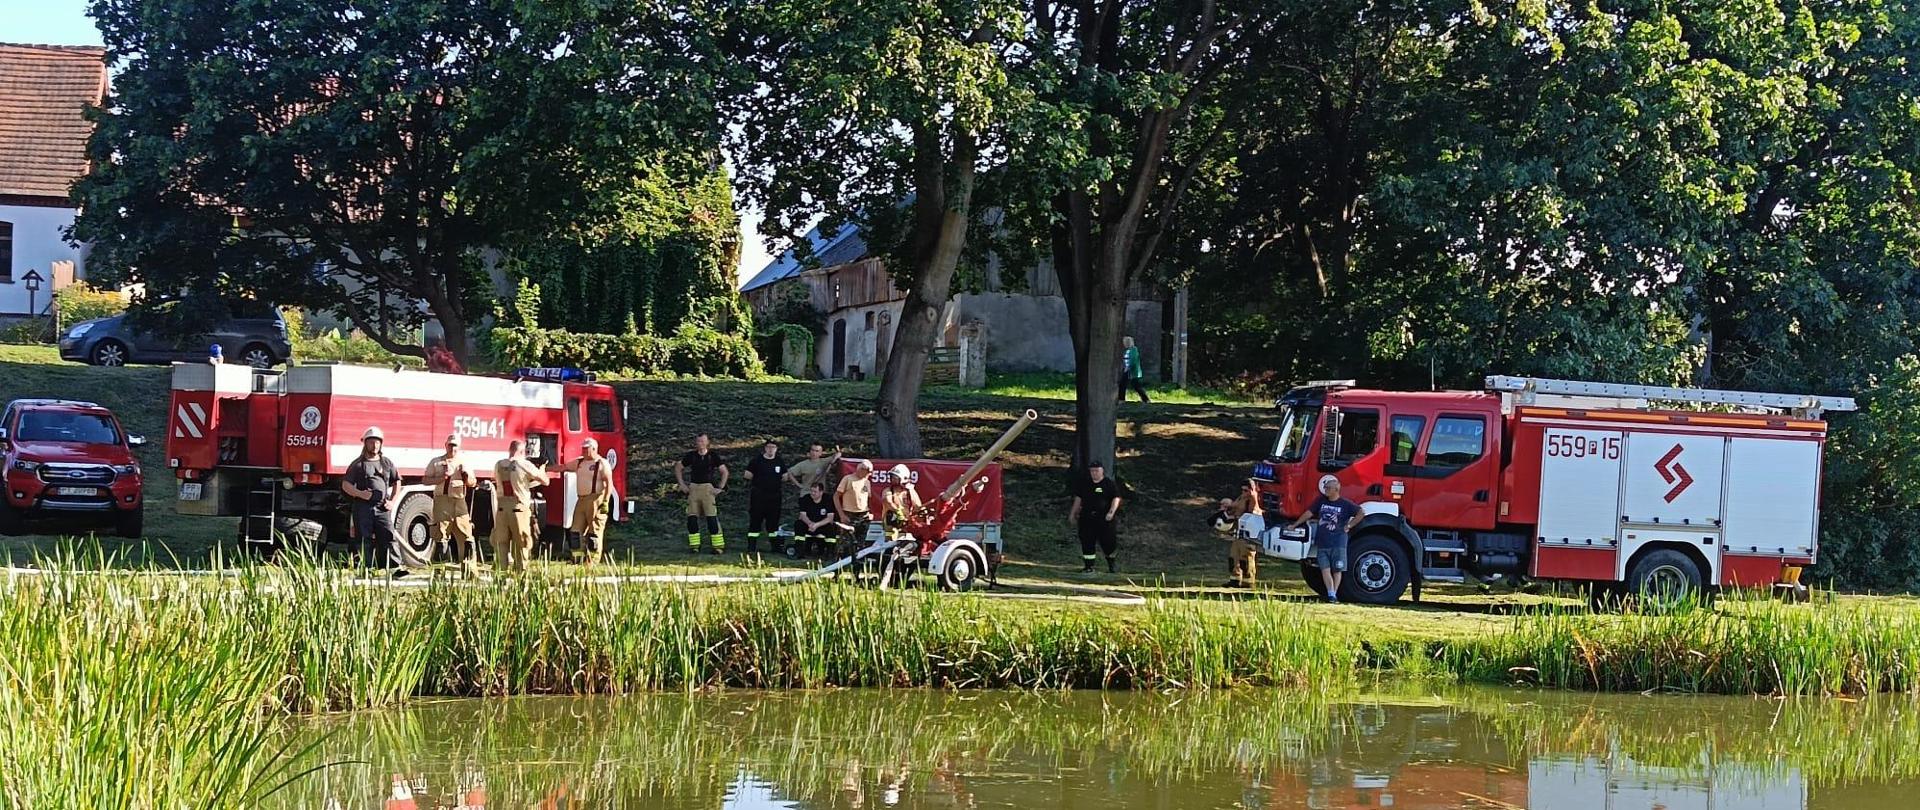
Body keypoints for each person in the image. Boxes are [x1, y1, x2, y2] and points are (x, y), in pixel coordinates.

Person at [342, 426, 411, 577]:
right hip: (363, 507)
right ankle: (366, 569)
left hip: (382, 507)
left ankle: (395, 568)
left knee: (388, 535)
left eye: (377, 442)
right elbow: (346, 485)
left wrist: (392, 501)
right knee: (363, 538)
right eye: (371, 442)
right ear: (365, 443)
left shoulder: (387, 463)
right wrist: (359, 494)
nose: (375, 445)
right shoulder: (358, 464)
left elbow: (396, 482)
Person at [1289, 474, 1363, 602]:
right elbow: (1309, 513)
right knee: (1325, 569)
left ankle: (1334, 592)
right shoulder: (1320, 501)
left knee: (1337, 569)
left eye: (1328, 488)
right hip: (1323, 542)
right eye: (1325, 487)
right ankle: (1331, 593)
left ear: (1336, 489)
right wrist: (1296, 524)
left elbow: (1361, 512)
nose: (1326, 490)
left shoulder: (1345, 504)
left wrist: (1349, 525)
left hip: (1338, 542)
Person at [423, 433, 478, 573]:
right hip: (442, 501)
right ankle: (439, 572)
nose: (452, 449)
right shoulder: (436, 462)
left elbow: (472, 483)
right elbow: (425, 480)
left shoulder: (464, 463)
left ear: (459, 447)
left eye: (455, 446)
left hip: (459, 502)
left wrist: (465, 475)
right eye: (450, 445)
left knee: (466, 536)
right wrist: (441, 477)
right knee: (441, 536)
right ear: (445, 445)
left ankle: (469, 571)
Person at [491, 440, 547, 572]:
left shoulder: (498, 465)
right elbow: (545, 481)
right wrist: (542, 469)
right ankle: (520, 575)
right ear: (522, 451)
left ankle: (501, 574)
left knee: (501, 544)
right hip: (518, 509)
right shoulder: (524, 464)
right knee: (522, 543)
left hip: (501, 509)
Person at [1068, 461, 1129, 573]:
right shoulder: (1084, 484)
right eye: (1092, 471)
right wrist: (1073, 514)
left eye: (1097, 471)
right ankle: (1088, 567)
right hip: (1087, 518)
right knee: (1087, 541)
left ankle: (1112, 565)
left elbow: (1116, 498)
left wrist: (1111, 512)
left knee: (1108, 542)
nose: (1094, 473)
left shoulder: (1108, 484)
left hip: (1104, 519)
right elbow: (1078, 499)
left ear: (1102, 471)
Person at [675, 434, 729, 554]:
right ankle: (694, 546)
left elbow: (724, 471)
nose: (700, 443)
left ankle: (718, 546)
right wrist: (682, 484)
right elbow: (678, 467)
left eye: (703, 441)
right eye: (699, 441)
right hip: (694, 489)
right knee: (692, 520)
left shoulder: (713, 456)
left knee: (712, 519)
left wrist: (720, 487)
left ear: (707, 442)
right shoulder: (692, 456)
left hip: (708, 489)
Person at [568, 437, 615, 565]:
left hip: (596, 499)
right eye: (582, 448)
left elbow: (608, 482)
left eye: (586, 449)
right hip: (581, 500)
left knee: (594, 533)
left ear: (593, 449)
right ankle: (577, 559)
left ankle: (592, 561)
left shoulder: (602, 463)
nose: (583, 451)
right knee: (575, 532)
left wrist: (605, 501)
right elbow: (563, 467)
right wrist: (546, 468)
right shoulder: (580, 463)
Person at [743, 440, 786, 554]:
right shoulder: (757, 461)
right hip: (759, 496)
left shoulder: (779, 461)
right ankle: (751, 547)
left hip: (775, 496)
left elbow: (785, 477)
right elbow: (747, 475)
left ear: (776, 449)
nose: (771, 449)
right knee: (755, 521)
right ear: (765, 448)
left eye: (773, 447)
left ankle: (775, 547)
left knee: (773, 523)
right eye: (769, 447)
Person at [1222, 479, 1262, 588]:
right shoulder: (1241, 498)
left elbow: (1252, 513)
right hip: (1238, 532)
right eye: (1242, 490)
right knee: (1234, 556)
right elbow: (1234, 506)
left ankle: (1248, 581)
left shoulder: (1253, 499)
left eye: (1246, 490)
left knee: (1246, 557)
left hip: (1248, 533)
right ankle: (1235, 578)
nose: (1244, 492)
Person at [833, 459, 876, 553]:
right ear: (861, 469)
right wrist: (842, 515)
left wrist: (870, 513)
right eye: (867, 472)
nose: (868, 475)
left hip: (863, 515)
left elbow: (868, 499)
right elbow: (836, 497)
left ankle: (857, 563)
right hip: (849, 514)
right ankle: (840, 562)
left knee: (860, 542)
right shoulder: (847, 479)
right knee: (845, 541)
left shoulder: (867, 482)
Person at [880, 463, 923, 540]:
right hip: (891, 523)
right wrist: (898, 512)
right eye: (891, 477)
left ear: (903, 478)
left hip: (906, 523)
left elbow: (918, 506)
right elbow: (887, 501)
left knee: (904, 542)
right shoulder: (888, 491)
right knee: (891, 540)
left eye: (895, 477)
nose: (892, 479)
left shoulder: (910, 491)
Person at [795, 481, 837, 558]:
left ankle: (830, 552)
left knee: (831, 527)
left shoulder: (828, 499)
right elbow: (802, 515)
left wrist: (817, 525)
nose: (812, 493)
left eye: (815, 491)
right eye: (811, 491)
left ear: (821, 492)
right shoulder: (805, 499)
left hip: (821, 525)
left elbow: (830, 518)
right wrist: (810, 524)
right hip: (809, 525)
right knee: (798, 524)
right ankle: (799, 551)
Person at [1117, 336, 1150, 403]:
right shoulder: (1128, 350)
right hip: (1127, 370)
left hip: (1133, 371)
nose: (1124, 344)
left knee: (1136, 386)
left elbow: (1133, 360)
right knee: (1123, 384)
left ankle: (1146, 399)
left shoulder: (1133, 350)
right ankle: (1121, 399)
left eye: (1125, 342)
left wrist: (1128, 367)